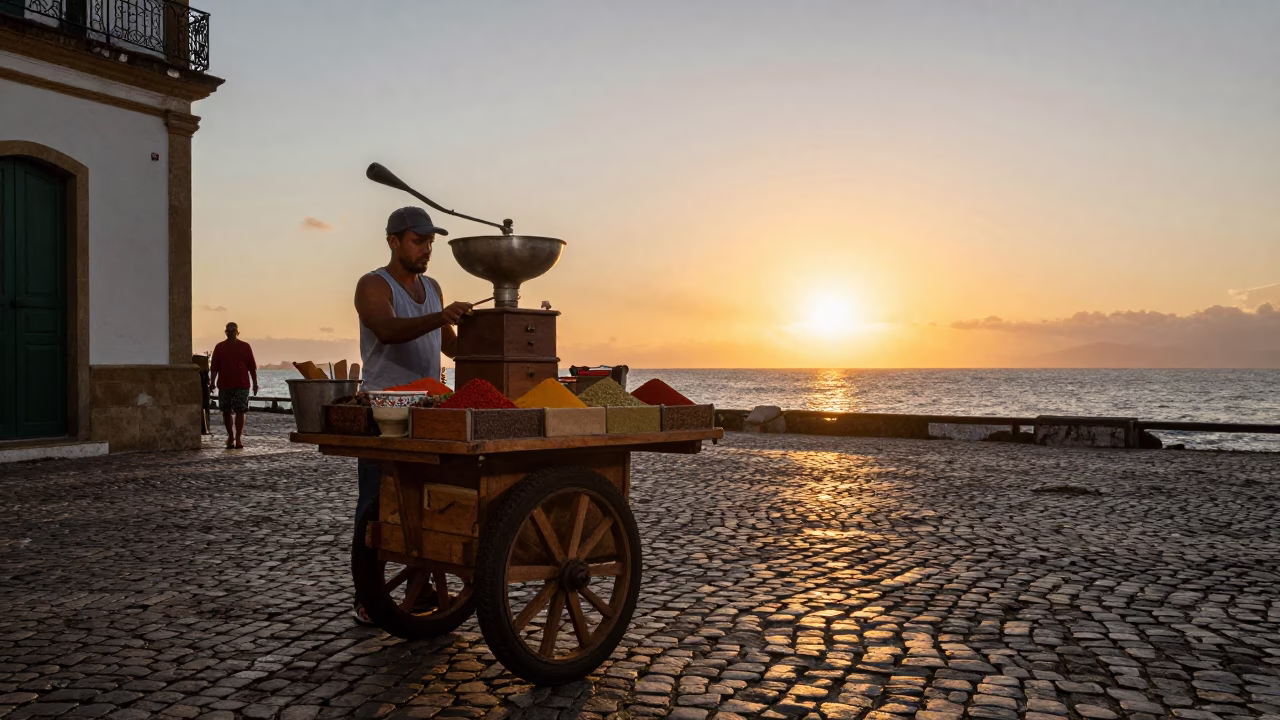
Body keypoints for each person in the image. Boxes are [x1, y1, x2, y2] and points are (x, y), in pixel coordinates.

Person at [351, 206, 472, 624]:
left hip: (428, 409)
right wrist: (439, 316)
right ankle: (367, 597)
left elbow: (453, 348)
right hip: (385, 408)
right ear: (394, 242)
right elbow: (387, 329)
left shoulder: (433, 286)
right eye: (419, 242)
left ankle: (419, 591)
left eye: (430, 243)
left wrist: (499, 339)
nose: (426, 250)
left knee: (425, 504)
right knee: (376, 504)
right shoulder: (373, 285)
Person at [209, 322, 259, 449]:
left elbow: (252, 367)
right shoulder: (219, 347)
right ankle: (230, 436)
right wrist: (212, 382)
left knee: (240, 411)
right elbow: (214, 367)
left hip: (242, 384)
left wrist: (255, 384)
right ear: (225, 332)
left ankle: (238, 439)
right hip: (225, 385)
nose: (230, 333)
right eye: (228, 331)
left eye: (233, 330)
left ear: (237, 332)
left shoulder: (245, 347)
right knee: (226, 411)